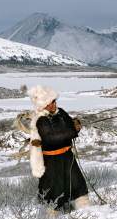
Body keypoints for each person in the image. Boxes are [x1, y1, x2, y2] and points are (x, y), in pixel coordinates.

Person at [27, 85, 90, 213]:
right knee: (54, 192)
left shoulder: (61, 112)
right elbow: (51, 138)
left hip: (67, 157)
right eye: (48, 104)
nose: (52, 105)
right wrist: (73, 130)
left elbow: (67, 125)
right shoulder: (40, 120)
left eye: (53, 102)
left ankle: (85, 213)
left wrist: (75, 124)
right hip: (52, 162)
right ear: (42, 106)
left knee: (77, 186)